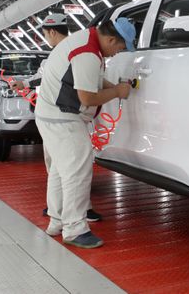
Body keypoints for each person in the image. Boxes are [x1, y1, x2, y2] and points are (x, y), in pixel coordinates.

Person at [35, 17, 136, 249]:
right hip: (62, 118)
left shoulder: (86, 39)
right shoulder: (88, 53)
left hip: (50, 114)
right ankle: (75, 229)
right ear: (111, 39)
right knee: (78, 171)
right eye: (119, 48)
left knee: (61, 171)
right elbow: (88, 97)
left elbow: (91, 79)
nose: (117, 53)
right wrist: (118, 92)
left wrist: (115, 86)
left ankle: (57, 221)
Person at [12, 13, 103, 223]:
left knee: (61, 166)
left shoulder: (60, 53)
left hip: (64, 116)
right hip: (68, 116)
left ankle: (60, 212)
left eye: (45, 35)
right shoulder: (74, 48)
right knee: (69, 166)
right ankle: (62, 212)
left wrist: (25, 84)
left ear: (52, 31)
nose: (47, 39)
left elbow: (48, 77)